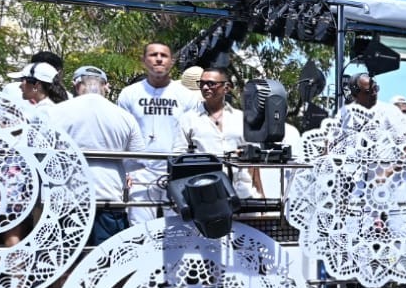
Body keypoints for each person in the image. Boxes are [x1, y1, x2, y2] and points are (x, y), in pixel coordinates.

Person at [47, 65, 147, 245]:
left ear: (76, 84)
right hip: (109, 197)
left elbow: (41, 154)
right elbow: (137, 160)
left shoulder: (54, 113)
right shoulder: (124, 117)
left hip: (68, 200)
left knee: (68, 261)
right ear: (105, 86)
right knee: (106, 264)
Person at [117, 40, 197, 225]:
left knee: (180, 226)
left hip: (175, 169)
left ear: (172, 61)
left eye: (164, 55)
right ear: (144, 60)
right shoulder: (128, 94)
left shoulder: (187, 96)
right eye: (154, 55)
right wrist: (125, 170)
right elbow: (122, 134)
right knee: (139, 227)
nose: (159, 59)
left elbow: (193, 136)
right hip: (139, 171)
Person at [179, 65, 261, 198]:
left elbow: (254, 163)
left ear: (226, 87)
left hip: (243, 195)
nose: (205, 88)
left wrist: (260, 193)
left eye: (211, 84)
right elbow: (180, 160)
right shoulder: (188, 120)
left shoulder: (241, 118)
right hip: (206, 194)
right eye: (202, 83)